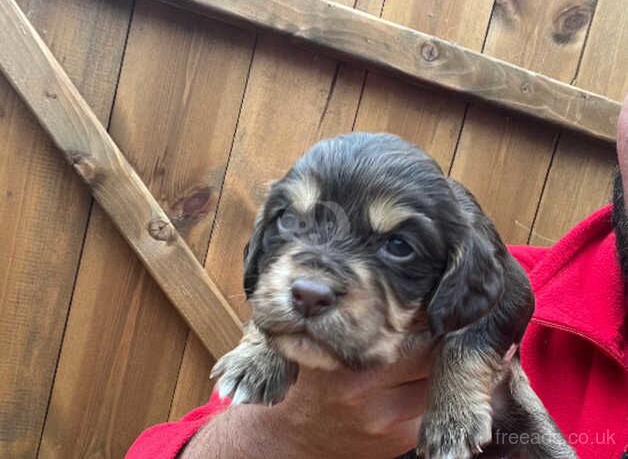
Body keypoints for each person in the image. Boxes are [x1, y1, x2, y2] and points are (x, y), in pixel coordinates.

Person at [126, 97, 628, 459]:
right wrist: (275, 434)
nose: (313, 283)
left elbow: (497, 310)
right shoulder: (534, 274)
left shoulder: (484, 270)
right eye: (295, 224)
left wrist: (461, 381)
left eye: (397, 245)